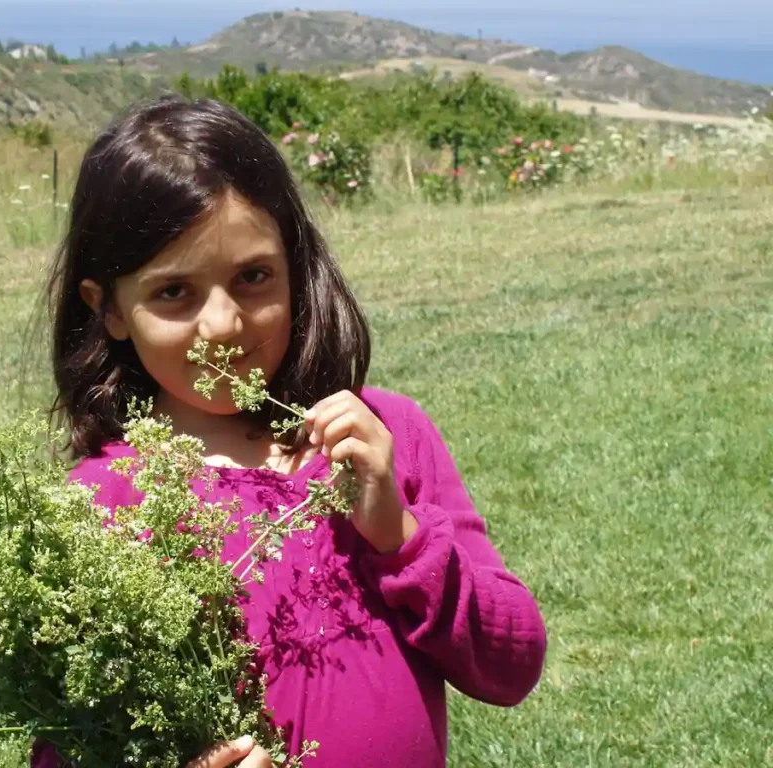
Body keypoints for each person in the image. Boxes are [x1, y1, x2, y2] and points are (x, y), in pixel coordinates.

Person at [34, 94, 547, 767]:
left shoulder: (383, 438)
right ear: (111, 310)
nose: (223, 324)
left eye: (253, 277)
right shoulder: (98, 504)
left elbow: (512, 665)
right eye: (173, 292)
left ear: (295, 266)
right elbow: (67, 748)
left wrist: (397, 534)